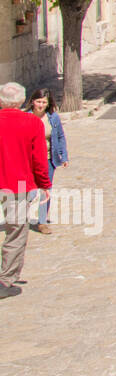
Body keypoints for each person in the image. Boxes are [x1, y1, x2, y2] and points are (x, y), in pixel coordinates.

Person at [0, 82, 48, 298]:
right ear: (21, 101)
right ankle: (5, 279)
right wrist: (44, 184)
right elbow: (39, 159)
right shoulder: (31, 123)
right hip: (17, 185)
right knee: (16, 232)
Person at [23, 89, 66, 235]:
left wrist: (63, 156)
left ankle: (42, 222)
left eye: (44, 102)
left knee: (45, 191)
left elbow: (60, 136)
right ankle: (21, 218)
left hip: (48, 159)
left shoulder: (53, 117)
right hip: (29, 160)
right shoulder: (25, 117)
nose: (41, 105)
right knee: (29, 191)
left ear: (48, 104)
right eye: (38, 102)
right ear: (32, 102)